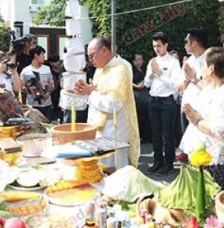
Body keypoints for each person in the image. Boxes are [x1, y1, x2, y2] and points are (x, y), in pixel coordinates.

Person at [181, 47, 224, 190]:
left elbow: (222, 131)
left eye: (202, 64)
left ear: (211, 69)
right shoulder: (209, 89)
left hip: (216, 158)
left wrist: (197, 120)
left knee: (213, 200)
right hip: (201, 152)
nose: (200, 68)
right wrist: (193, 116)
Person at [74, 37, 140, 168]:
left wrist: (90, 93)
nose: (90, 60)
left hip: (113, 131)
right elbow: (96, 95)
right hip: (98, 129)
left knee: (113, 172)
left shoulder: (121, 69)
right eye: (88, 56)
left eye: (92, 55)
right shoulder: (100, 69)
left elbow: (114, 104)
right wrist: (86, 91)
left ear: (104, 50)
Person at [144, 32, 181, 175]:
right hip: (153, 100)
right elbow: (147, 83)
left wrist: (160, 73)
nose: (156, 49)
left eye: (159, 45)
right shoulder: (152, 61)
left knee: (167, 134)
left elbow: (175, 85)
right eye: (154, 46)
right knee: (155, 133)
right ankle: (157, 161)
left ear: (166, 45)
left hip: (167, 101)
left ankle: (168, 163)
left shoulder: (173, 62)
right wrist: (153, 73)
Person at [176, 28, 208, 163]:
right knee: (190, 146)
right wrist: (187, 78)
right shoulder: (189, 61)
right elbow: (179, 87)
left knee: (201, 146)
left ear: (194, 43)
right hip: (186, 107)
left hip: (201, 110)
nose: (184, 44)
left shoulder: (209, 59)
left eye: (186, 41)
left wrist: (194, 78)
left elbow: (211, 87)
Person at [20, 46, 55, 121]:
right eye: (42, 55)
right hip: (32, 105)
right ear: (36, 55)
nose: (44, 57)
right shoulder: (26, 71)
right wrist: (29, 90)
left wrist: (48, 92)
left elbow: (52, 84)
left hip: (47, 105)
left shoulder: (47, 69)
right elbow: (21, 88)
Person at [132, 53, 151, 143]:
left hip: (144, 94)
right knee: (138, 116)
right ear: (134, 61)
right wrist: (136, 86)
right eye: (137, 60)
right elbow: (128, 81)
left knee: (145, 116)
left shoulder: (143, 69)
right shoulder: (132, 70)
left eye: (141, 59)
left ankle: (145, 136)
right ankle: (137, 136)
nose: (140, 61)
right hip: (136, 94)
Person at [48, 53, 63, 122]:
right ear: (51, 63)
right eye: (55, 61)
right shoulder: (49, 72)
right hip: (52, 94)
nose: (58, 63)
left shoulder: (62, 70)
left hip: (61, 93)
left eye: (58, 61)